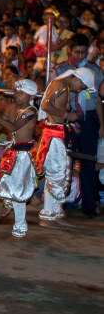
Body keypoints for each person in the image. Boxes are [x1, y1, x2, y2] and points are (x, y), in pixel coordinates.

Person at [0, 79, 40, 238]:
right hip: (12, 151)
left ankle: (20, 225)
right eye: (16, 92)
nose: (17, 95)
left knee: (18, 190)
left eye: (21, 93)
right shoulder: (15, 108)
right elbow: (5, 126)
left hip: (23, 154)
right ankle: (8, 202)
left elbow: (13, 127)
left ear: (31, 96)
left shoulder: (31, 111)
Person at [36, 67, 97, 229]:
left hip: (59, 132)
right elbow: (46, 105)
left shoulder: (64, 86)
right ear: (78, 79)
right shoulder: (60, 84)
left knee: (62, 175)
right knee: (56, 174)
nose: (80, 90)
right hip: (53, 134)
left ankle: (55, 214)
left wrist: (69, 122)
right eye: (82, 87)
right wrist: (67, 116)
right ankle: (47, 216)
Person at [54, 34, 104, 219]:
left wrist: (101, 125)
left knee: (88, 162)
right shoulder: (61, 69)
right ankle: (59, 202)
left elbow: (97, 99)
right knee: (64, 162)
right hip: (68, 117)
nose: (81, 56)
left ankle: (89, 205)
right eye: (77, 52)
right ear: (70, 50)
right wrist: (67, 118)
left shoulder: (94, 70)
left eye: (84, 52)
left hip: (89, 118)